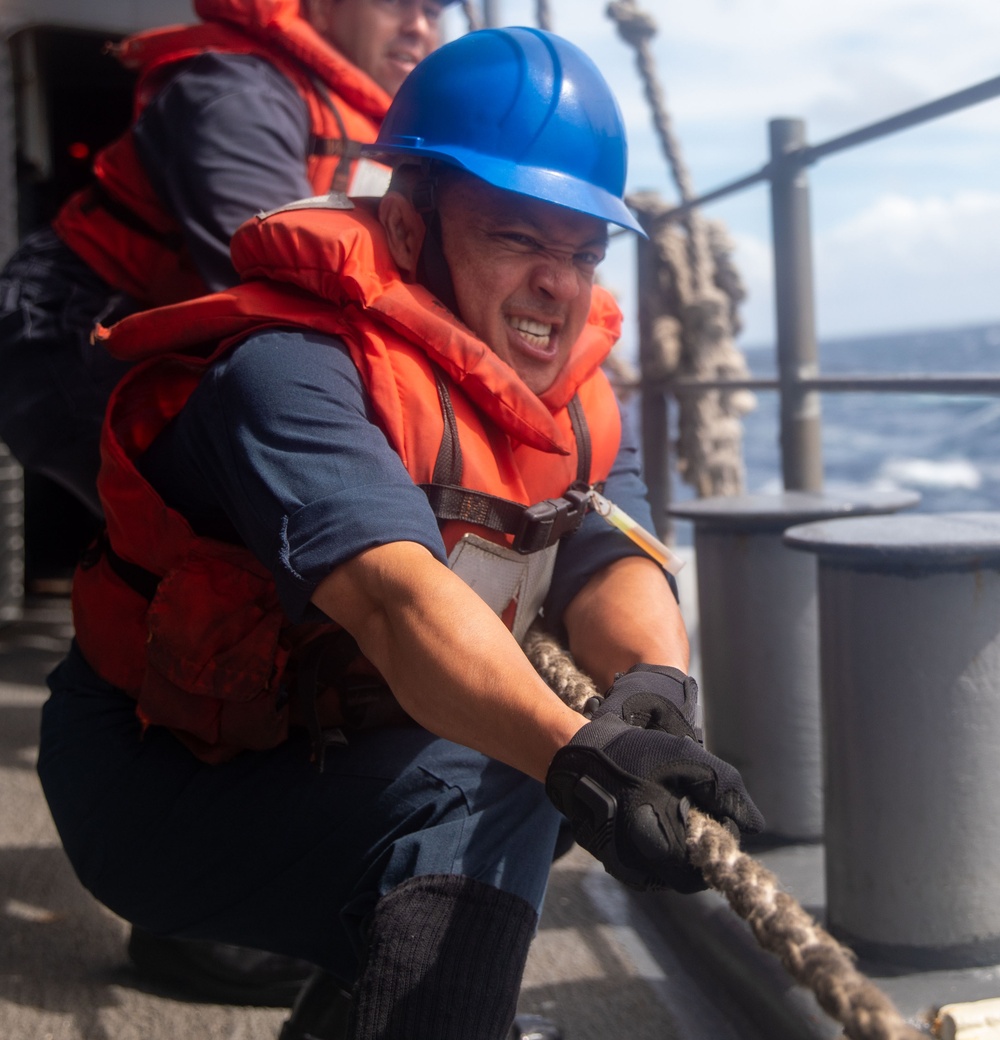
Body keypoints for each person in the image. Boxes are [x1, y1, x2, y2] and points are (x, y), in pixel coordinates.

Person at [36, 27, 763, 1040]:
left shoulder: (576, 399)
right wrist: (585, 756)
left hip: (335, 753)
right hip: (160, 786)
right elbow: (391, 596)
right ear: (410, 227)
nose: (559, 284)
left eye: (582, 253)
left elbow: (609, 553)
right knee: (519, 768)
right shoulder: (289, 370)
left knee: (540, 764)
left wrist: (653, 697)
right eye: (517, 238)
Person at [0, 0, 462, 1004]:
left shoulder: (379, 113)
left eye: (443, 2)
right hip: (69, 339)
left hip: (161, 335)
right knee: (226, 563)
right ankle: (194, 918)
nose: (426, 19)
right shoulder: (234, 89)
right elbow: (267, 263)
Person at [0, 0, 453, 518]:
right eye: (396, 3)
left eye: (434, 10)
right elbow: (279, 285)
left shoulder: (384, 124)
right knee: (215, 536)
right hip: (72, 324)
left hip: (195, 331)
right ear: (324, 9)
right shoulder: (238, 92)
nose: (418, 25)